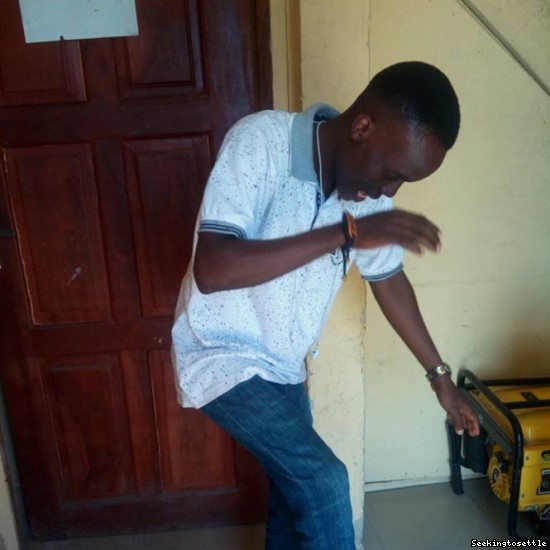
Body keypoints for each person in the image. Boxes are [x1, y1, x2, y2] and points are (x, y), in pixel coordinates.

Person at [171, 61, 480, 550]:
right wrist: (345, 233)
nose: (389, 191)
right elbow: (213, 268)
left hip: (285, 366)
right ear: (362, 127)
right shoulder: (261, 143)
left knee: (291, 494)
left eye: (403, 183)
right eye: (392, 173)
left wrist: (440, 378)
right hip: (219, 354)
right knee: (324, 482)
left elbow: (389, 279)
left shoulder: (367, 198)